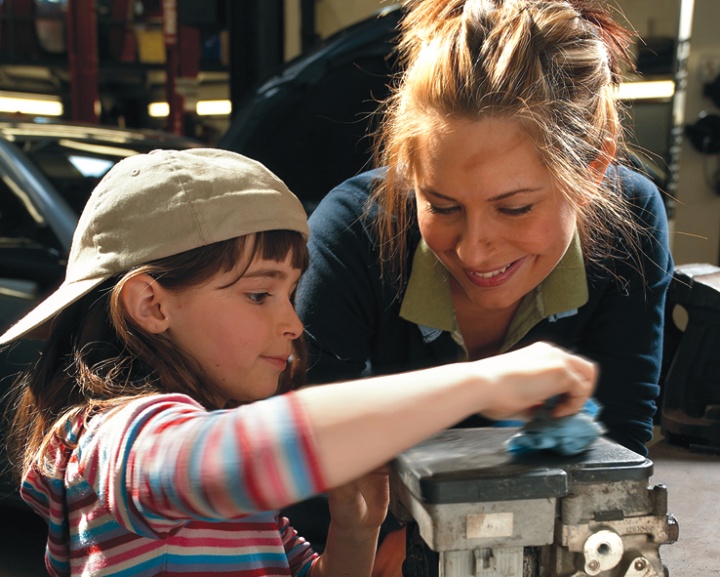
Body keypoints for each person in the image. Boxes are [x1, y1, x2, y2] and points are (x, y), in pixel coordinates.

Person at [0, 148, 595, 577]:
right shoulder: (113, 439)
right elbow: (225, 459)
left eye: (291, 294)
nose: (292, 322)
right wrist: (478, 382)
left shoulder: (244, 511)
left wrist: (354, 534)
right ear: (151, 304)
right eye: (260, 294)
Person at [291, 0, 674, 564]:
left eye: (515, 208)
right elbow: (308, 477)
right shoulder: (352, 233)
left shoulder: (632, 221)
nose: (473, 250)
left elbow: (614, 451)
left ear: (592, 171)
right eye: (441, 205)